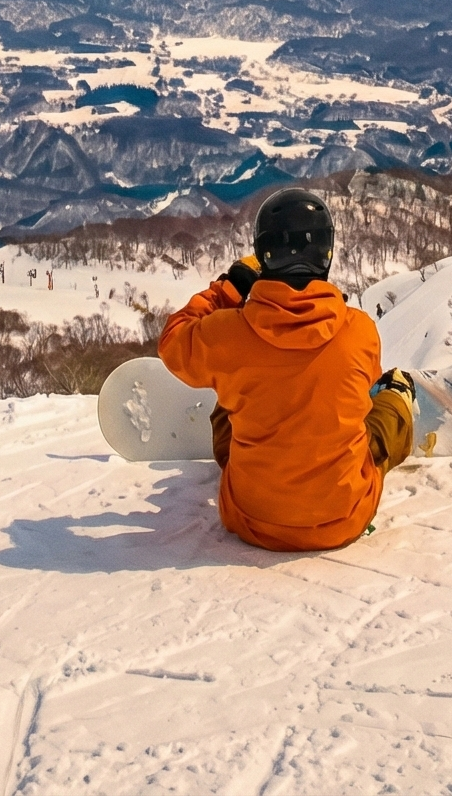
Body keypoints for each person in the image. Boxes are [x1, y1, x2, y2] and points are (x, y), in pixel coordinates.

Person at [159, 190, 414, 552]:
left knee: (230, 401)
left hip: (250, 517)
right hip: (343, 518)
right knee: (377, 412)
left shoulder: (226, 335)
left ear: (263, 254)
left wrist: (230, 288)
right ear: (326, 253)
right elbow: (364, 393)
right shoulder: (359, 330)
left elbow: (172, 341)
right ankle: (402, 395)